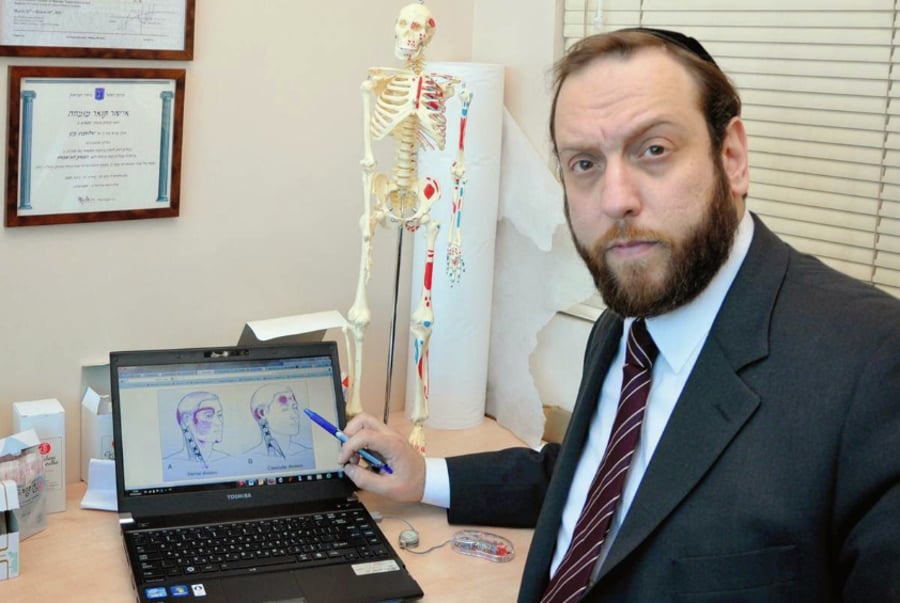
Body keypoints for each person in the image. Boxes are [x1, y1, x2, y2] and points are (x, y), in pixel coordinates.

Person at [336, 28, 900, 602]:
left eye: (653, 150)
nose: (615, 200)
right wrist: (425, 476)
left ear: (731, 157)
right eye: (584, 163)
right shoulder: (626, 327)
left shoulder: (873, 367)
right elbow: (599, 477)